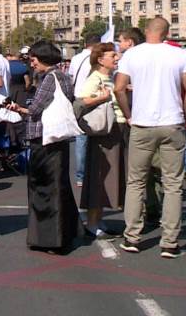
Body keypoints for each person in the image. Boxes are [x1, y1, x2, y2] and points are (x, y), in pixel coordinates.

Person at [113, 17, 186, 258]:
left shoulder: (132, 55)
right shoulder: (179, 55)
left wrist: (129, 113)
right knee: (173, 184)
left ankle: (132, 236)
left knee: (136, 181)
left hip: (142, 123)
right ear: (167, 33)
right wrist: (184, 114)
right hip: (172, 122)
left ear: (147, 31)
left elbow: (119, 88)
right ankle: (169, 241)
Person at [6, 41, 80, 253]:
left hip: (44, 138)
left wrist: (19, 108)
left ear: (43, 58)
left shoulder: (49, 79)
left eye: (33, 59)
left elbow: (36, 108)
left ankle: (49, 238)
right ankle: (64, 234)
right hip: (59, 139)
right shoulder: (64, 77)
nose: (32, 63)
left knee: (44, 188)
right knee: (59, 185)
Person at [77, 43, 125, 239]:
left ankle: (98, 219)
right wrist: (101, 98)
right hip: (104, 134)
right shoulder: (94, 79)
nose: (117, 58)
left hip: (114, 131)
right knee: (99, 179)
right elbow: (81, 100)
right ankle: (92, 222)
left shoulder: (109, 78)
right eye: (112, 55)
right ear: (100, 59)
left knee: (108, 178)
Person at [70, 34, 101, 187]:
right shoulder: (98, 58)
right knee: (98, 135)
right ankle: (96, 172)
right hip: (95, 99)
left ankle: (81, 176)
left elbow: (71, 78)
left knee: (81, 139)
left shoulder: (76, 59)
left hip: (78, 100)